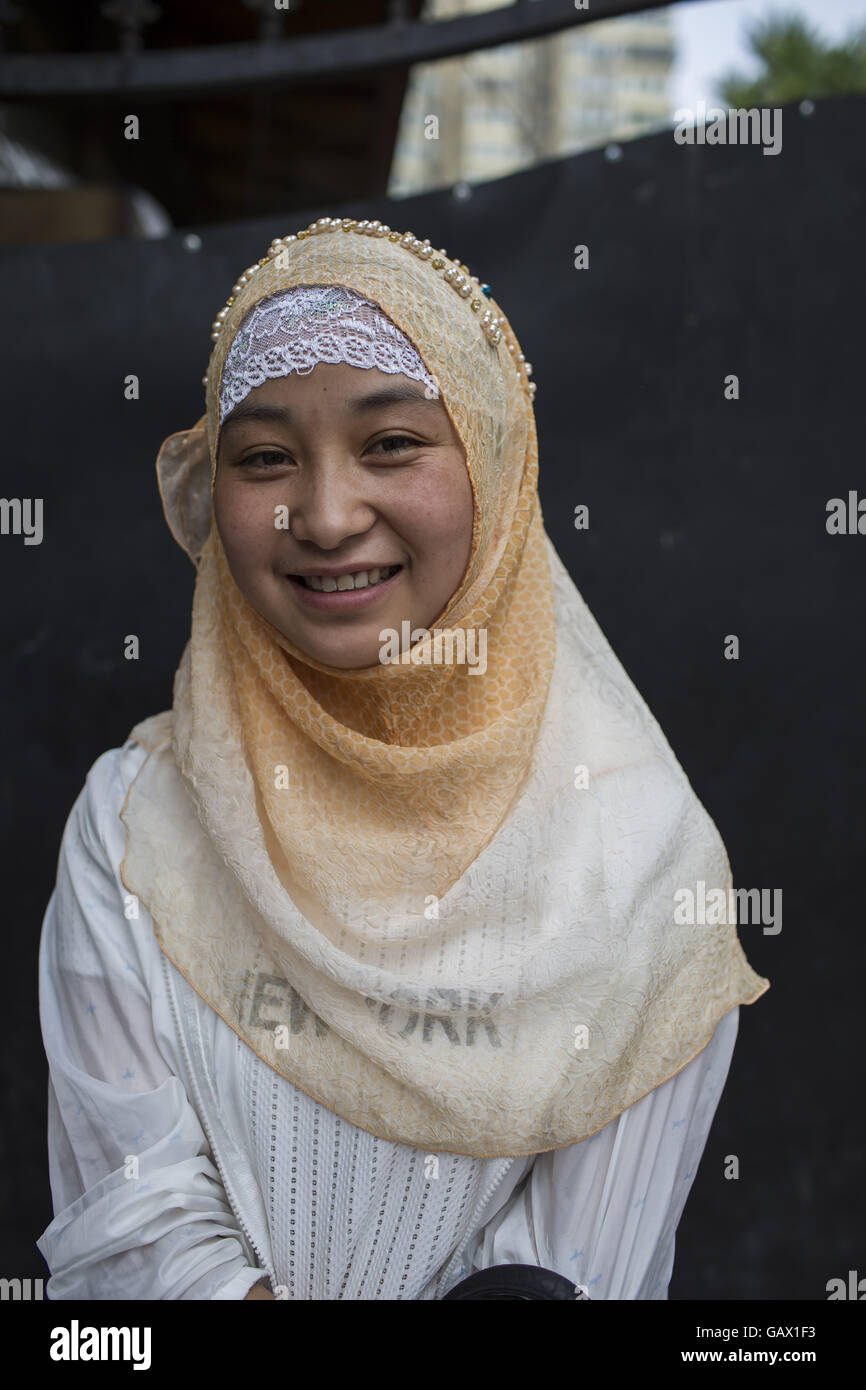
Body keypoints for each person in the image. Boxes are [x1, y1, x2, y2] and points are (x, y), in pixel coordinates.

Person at [36, 213, 769, 1300]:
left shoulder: (640, 864)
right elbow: (127, 1229)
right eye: (266, 457)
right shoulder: (136, 825)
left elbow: (563, 1283)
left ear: (494, 463)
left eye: (390, 443)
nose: (327, 516)